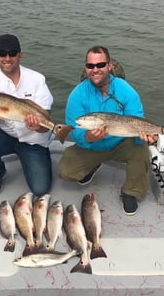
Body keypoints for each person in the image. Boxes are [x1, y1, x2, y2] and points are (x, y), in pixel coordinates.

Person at [58, 45, 157, 215]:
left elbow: (137, 120)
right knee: (65, 171)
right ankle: (93, 165)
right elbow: (74, 129)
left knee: (141, 151)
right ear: (85, 68)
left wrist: (147, 137)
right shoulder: (77, 95)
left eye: (100, 65)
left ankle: (130, 192)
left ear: (109, 66)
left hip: (121, 143)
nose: (95, 70)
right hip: (91, 147)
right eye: (90, 66)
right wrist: (88, 137)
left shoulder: (126, 90)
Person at [0, 34, 54, 196]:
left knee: (40, 189)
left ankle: (39, 157)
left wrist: (37, 127)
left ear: (20, 55)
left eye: (12, 53)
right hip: (6, 135)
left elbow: (47, 123)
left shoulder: (37, 79)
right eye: (2, 53)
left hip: (33, 138)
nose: (7, 58)